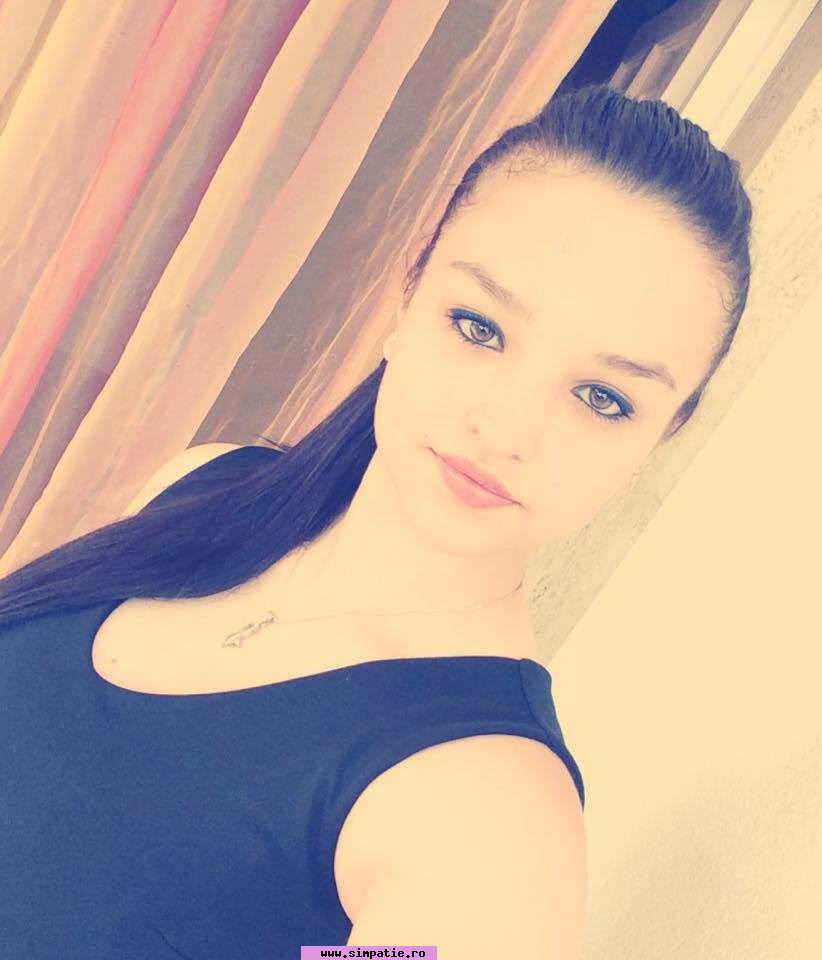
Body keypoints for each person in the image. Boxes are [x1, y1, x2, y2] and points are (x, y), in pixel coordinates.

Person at [0, 83, 753, 958]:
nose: (506, 427)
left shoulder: (484, 827)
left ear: (659, 439)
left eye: (602, 397)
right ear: (407, 296)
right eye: (479, 327)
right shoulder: (205, 485)